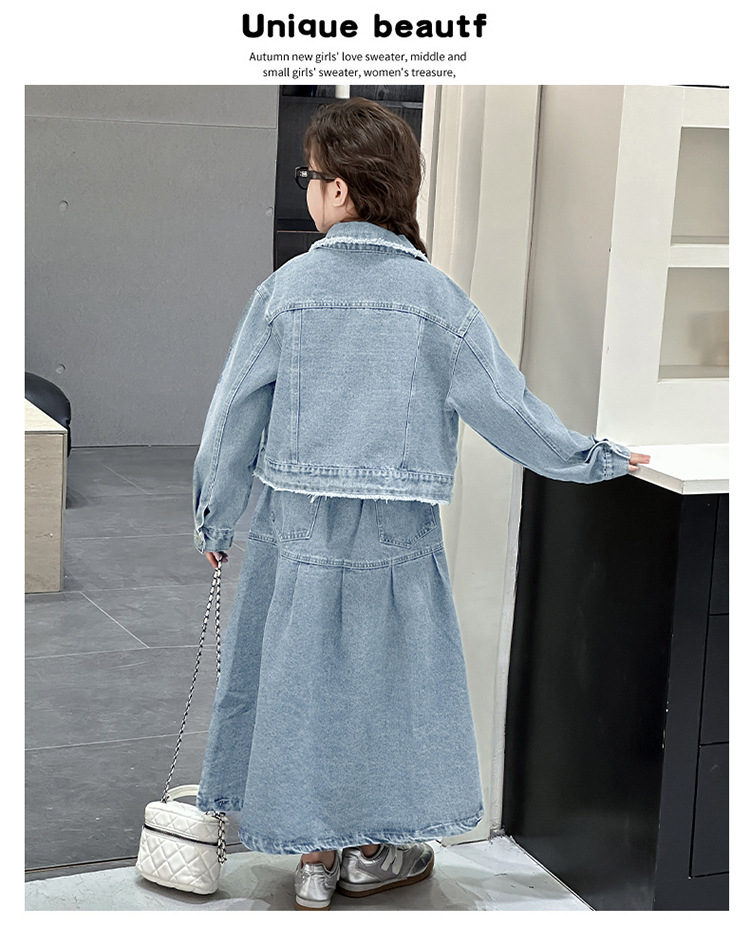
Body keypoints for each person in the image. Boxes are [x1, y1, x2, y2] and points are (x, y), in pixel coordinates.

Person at [191, 97, 650, 912]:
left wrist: (216, 517)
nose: (309, 189)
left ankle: (311, 860)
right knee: (384, 691)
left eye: (309, 176)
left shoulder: (286, 291)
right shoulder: (436, 299)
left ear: (338, 190)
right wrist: (595, 457)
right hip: (397, 543)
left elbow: (232, 415)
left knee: (298, 683)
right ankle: (372, 850)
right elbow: (509, 408)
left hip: (297, 535)